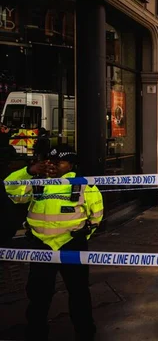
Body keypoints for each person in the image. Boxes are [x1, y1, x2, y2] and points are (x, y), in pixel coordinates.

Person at [4, 145, 104, 341]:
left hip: (71, 245)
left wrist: (81, 236)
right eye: (50, 161)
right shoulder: (38, 182)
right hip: (41, 246)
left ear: (71, 164)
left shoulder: (84, 184)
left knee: (79, 293)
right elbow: (10, 189)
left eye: (59, 162)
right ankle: (36, 332)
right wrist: (29, 171)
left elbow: (97, 215)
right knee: (38, 295)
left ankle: (85, 333)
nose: (53, 166)